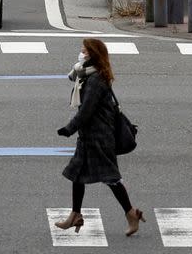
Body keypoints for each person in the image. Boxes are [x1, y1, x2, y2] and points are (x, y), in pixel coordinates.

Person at [55, 38, 144, 237]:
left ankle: (131, 214)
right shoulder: (87, 74)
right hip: (89, 136)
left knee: (111, 178)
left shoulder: (96, 80)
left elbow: (86, 111)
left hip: (100, 137)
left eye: (85, 51)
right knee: (77, 173)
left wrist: (69, 128)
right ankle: (75, 215)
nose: (81, 54)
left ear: (93, 55)